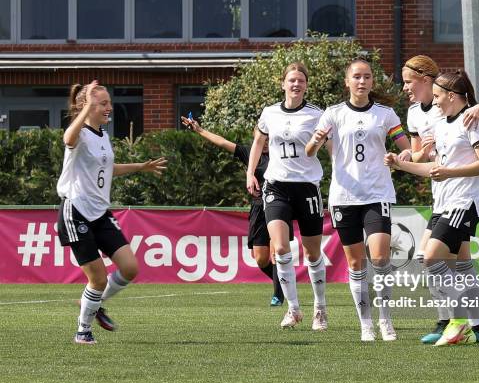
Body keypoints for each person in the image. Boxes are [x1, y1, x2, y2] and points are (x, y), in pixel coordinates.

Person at [385, 70, 479, 346]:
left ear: (452, 95)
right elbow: (436, 169)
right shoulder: (443, 125)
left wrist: (450, 172)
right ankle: (478, 328)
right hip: (444, 203)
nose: (433, 102)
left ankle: (457, 321)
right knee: (459, 265)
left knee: (430, 257)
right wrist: (401, 164)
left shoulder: (473, 121)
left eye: (437, 96)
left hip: (463, 202)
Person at [306, 58, 411, 342]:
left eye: (366, 77)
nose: (362, 82)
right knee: (355, 264)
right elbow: (309, 151)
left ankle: (386, 320)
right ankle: (366, 323)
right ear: (347, 81)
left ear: (372, 82)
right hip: (344, 197)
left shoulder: (386, 114)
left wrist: (402, 157)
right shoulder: (333, 113)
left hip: (378, 194)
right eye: (357, 77)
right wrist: (316, 140)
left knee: (380, 257)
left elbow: (407, 148)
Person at [57, 80, 167, 344]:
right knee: (97, 278)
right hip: (76, 211)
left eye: (109, 103)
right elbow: (67, 138)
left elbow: (107, 169)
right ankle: (83, 331)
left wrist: (140, 166)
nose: (109, 108)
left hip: (100, 213)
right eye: (103, 103)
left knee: (130, 268)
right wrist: (84, 108)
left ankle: (95, 305)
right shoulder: (80, 133)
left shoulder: (102, 136)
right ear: (88, 107)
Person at [246, 62, 328, 331]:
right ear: (283, 84)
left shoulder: (317, 115)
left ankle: (320, 309)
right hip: (276, 186)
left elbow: (329, 147)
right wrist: (250, 173)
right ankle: (293, 309)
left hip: (306, 187)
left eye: (301, 81)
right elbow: (259, 141)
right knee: (280, 248)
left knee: (312, 252)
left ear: (306, 86)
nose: (296, 84)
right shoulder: (269, 112)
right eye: (291, 80)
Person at [180, 117, 286, 307]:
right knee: (261, 259)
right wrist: (199, 130)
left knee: (277, 251)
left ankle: (279, 295)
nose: (266, 143)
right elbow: (222, 142)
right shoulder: (250, 153)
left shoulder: (281, 154)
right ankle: (287, 284)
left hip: (278, 205)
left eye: (269, 139)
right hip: (257, 208)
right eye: (262, 139)